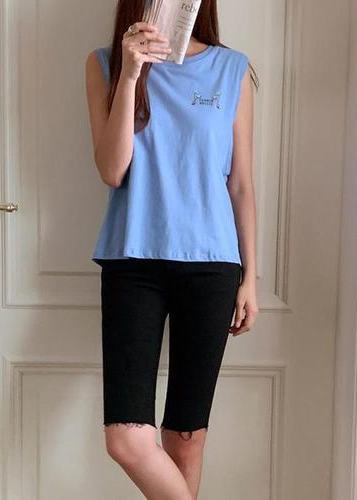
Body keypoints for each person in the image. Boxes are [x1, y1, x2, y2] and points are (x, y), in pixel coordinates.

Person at [85, 2, 259, 498]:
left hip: (212, 263)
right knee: (126, 439)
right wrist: (130, 73)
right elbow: (112, 170)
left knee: (187, 436)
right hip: (132, 259)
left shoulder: (232, 68)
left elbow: (240, 183)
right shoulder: (105, 64)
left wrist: (250, 278)